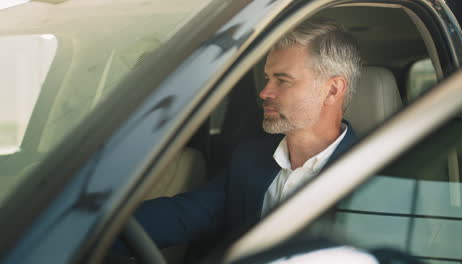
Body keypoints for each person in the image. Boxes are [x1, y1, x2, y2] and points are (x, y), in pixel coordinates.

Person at [133, 18, 361, 252]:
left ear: (332, 90)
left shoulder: (374, 170)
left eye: (282, 80)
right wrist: (98, 226)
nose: (264, 92)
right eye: (267, 78)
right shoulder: (250, 159)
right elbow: (183, 216)